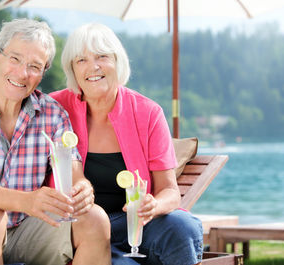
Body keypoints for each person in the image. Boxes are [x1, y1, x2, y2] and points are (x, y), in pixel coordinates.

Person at [0, 19, 111, 265]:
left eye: (34, 66)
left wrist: (83, 190)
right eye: (14, 59)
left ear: (43, 73)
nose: (22, 73)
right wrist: (28, 200)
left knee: (95, 220)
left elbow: (74, 172)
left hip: (24, 228)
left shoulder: (53, 114)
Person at [50, 23, 203, 265]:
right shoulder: (54, 108)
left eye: (102, 56)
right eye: (81, 60)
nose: (93, 66)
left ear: (118, 61)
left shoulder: (148, 112)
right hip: (79, 227)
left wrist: (154, 204)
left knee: (182, 227)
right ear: (72, 70)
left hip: (136, 225)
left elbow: (170, 192)